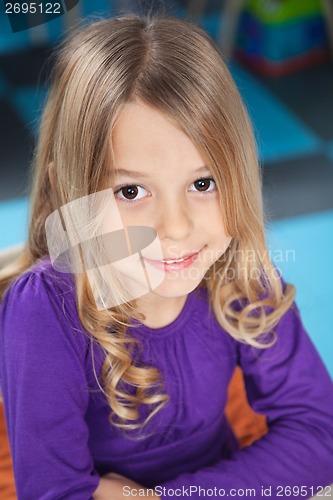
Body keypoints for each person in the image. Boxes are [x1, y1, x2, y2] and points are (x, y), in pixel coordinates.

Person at [0, 15, 332, 500]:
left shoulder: (239, 272)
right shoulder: (43, 309)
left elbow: (321, 433)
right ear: (70, 193)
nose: (176, 228)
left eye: (203, 183)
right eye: (131, 190)